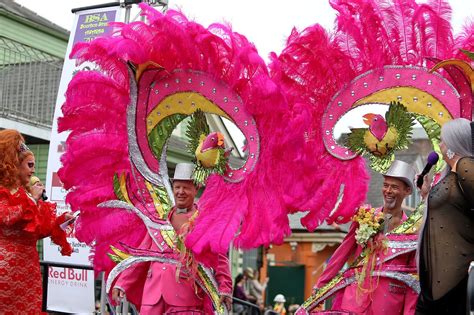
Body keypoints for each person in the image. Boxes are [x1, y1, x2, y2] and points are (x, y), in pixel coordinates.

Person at [111, 163, 232, 314]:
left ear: (196, 189)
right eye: (177, 187)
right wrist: (122, 283)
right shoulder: (159, 218)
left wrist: (225, 288)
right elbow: (141, 254)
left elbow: (219, 257)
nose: (180, 192)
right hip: (152, 296)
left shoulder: (204, 220)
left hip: (185, 298)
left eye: (186, 187)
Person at [311, 160, 419, 314]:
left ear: (407, 191)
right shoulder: (364, 217)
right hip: (356, 299)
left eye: (394, 187)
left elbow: (412, 275)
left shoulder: (412, 230)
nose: (388, 190)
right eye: (385, 185)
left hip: (389, 304)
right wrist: (320, 287)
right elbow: (342, 253)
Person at [0, 129, 73, 313]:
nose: (33, 170)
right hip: (5, 269)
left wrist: (62, 222)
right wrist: (32, 200)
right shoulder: (4, 192)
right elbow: (7, 217)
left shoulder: (26, 194)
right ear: (14, 165)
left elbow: (40, 230)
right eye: (30, 165)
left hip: (29, 269)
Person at [416, 118, 474, 315]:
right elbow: (446, 215)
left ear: (453, 143)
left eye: (442, 140)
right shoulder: (451, 174)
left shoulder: (465, 165)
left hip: (453, 277)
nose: (439, 145)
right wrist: (426, 194)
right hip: (436, 279)